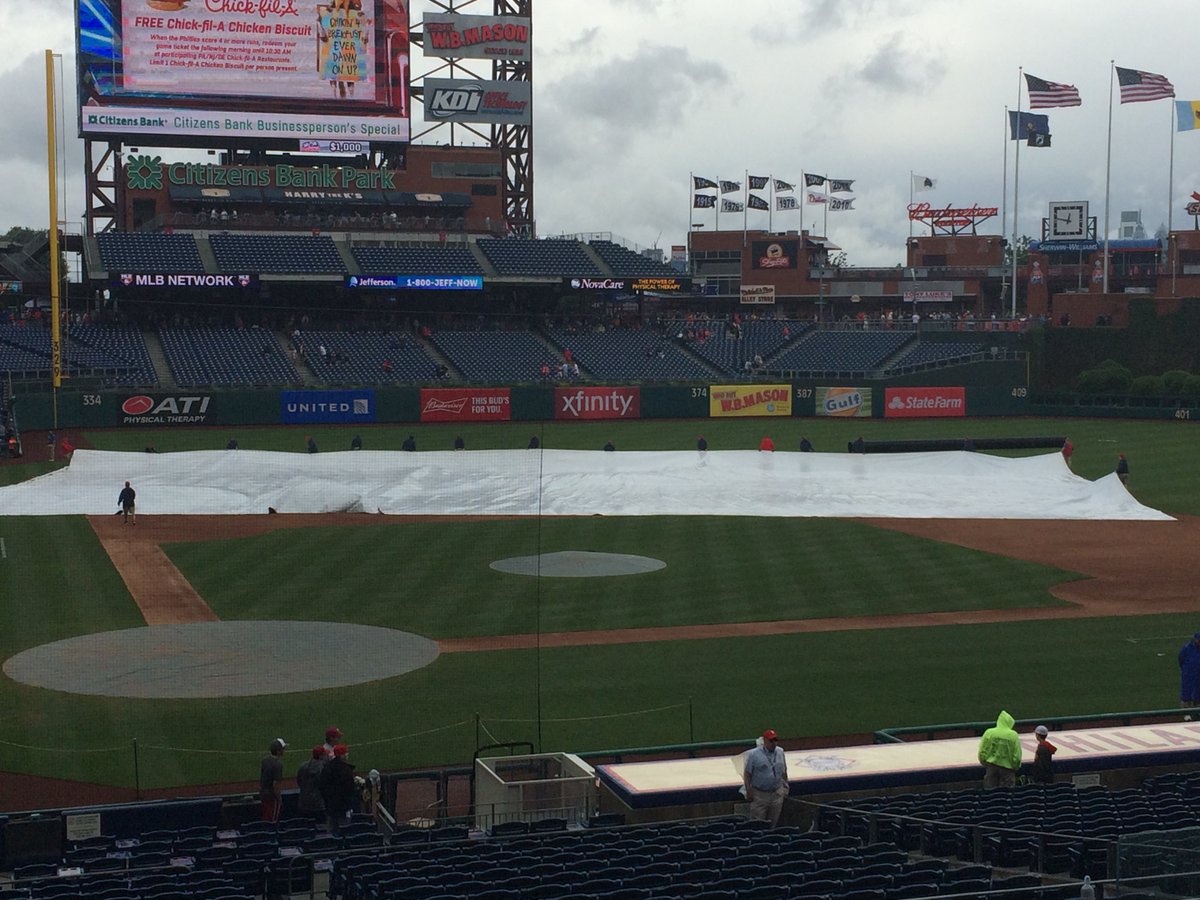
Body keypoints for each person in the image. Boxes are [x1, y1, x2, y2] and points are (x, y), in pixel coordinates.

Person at [743, 729, 788, 826]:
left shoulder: (780, 751)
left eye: (775, 740)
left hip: (776, 793)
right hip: (760, 795)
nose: (773, 743)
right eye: (771, 740)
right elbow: (747, 774)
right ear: (764, 741)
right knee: (757, 825)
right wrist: (748, 790)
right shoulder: (754, 754)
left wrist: (786, 787)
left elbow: (784, 771)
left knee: (773, 824)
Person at [319, 743, 357, 835]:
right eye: (345, 753)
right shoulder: (345, 770)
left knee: (331, 831)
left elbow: (322, 786)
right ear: (342, 755)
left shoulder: (327, 767)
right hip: (343, 806)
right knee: (344, 830)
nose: (347, 755)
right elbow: (350, 789)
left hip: (330, 806)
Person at [977, 710, 1022, 789]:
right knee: (1007, 794)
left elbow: (982, 751)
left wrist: (984, 762)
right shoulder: (1013, 735)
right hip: (1008, 770)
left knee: (990, 793)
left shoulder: (989, 733)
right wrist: (1015, 767)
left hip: (991, 767)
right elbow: (1017, 756)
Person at [296, 745, 327, 823]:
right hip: (319, 805)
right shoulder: (324, 769)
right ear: (321, 756)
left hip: (303, 802)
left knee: (305, 827)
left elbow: (299, 781)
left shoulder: (303, 766)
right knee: (321, 829)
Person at [260, 737, 287, 822]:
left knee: (265, 817)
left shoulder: (265, 760)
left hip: (263, 794)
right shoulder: (278, 765)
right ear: (278, 751)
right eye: (283, 749)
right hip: (272, 797)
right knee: (272, 820)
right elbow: (276, 785)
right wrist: (279, 798)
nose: (284, 751)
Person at [1178, 633, 1200, 718]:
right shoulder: (1187, 648)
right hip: (1188, 675)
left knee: (1198, 694)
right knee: (1187, 694)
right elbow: (1181, 659)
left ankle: (1197, 712)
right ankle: (1186, 714)